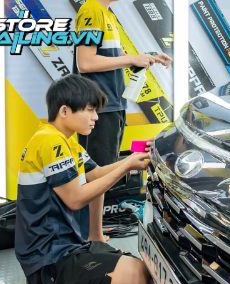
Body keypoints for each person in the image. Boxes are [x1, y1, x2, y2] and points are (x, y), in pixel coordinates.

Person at [15, 75, 154, 284]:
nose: (95, 118)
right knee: (137, 279)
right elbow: (76, 198)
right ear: (65, 111)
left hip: (66, 247)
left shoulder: (68, 144)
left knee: (144, 273)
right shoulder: (49, 141)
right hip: (49, 258)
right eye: (90, 110)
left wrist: (131, 160)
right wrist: (126, 166)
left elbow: (96, 175)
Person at [73, 0, 172, 242]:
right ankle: (93, 236)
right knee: (97, 172)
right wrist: (131, 61)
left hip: (112, 104)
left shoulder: (107, 14)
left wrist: (145, 57)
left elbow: (113, 56)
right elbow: (85, 62)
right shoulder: (91, 10)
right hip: (99, 107)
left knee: (102, 168)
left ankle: (93, 232)